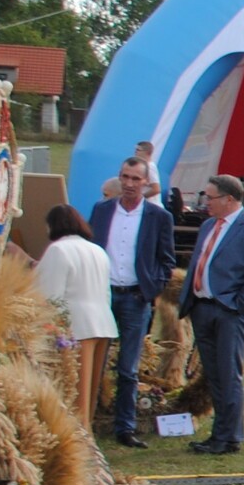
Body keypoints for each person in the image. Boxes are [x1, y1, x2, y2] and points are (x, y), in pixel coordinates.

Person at [178, 175, 244, 456]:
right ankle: (222, 434)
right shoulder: (209, 225)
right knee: (213, 375)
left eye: (210, 197)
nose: (205, 202)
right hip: (202, 308)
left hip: (229, 312)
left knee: (229, 374)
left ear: (229, 199)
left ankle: (228, 436)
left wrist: (237, 305)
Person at [89, 157, 176, 449]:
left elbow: (166, 259)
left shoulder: (158, 217)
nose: (129, 184)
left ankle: (124, 427)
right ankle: (87, 419)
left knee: (128, 367)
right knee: (94, 362)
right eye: (125, 177)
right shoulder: (102, 210)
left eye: (135, 179)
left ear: (146, 183)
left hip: (135, 298)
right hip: (103, 295)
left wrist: (151, 289)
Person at [34, 206, 117, 430]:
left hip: (76, 327)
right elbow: (106, 292)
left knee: (76, 395)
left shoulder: (58, 250)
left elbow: (49, 296)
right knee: (90, 393)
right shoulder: (97, 250)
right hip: (103, 322)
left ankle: (79, 439)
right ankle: (86, 434)